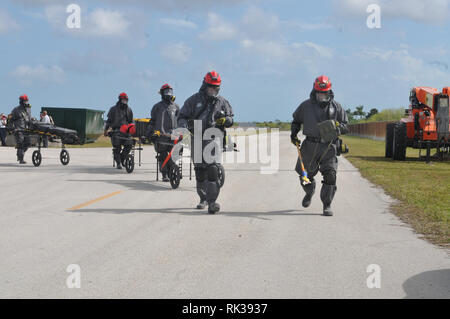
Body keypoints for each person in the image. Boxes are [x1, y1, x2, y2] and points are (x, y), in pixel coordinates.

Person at [290, 75, 348, 216]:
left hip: (329, 147)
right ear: (315, 91)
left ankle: (326, 205)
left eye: (325, 93)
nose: (322, 96)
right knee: (304, 175)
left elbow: (346, 126)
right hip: (309, 145)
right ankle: (309, 191)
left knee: (330, 175)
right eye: (319, 93)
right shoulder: (305, 106)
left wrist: (338, 128)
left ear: (329, 92)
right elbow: (296, 121)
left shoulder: (337, 107)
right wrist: (294, 134)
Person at [178, 71, 234, 214]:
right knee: (200, 171)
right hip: (196, 137)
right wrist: (183, 126)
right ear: (204, 85)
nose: (213, 90)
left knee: (212, 169)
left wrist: (227, 120)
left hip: (213, 137)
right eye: (211, 87)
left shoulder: (222, 101)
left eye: (216, 88)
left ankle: (212, 202)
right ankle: (202, 198)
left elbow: (230, 118)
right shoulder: (192, 100)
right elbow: (182, 116)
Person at [148, 84, 180, 182]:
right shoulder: (157, 107)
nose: (168, 94)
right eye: (166, 92)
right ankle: (165, 174)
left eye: (170, 92)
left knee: (174, 154)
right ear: (162, 94)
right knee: (162, 155)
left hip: (173, 136)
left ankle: (173, 171)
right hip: (160, 136)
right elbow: (152, 121)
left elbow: (181, 121)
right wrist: (150, 134)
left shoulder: (176, 106)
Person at [104, 92, 134, 169]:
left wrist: (132, 130)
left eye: (126, 100)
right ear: (120, 99)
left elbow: (131, 122)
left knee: (129, 144)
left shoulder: (129, 109)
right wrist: (106, 130)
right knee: (117, 146)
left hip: (126, 132)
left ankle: (122, 158)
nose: (125, 101)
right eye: (123, 100)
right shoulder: (113, 109)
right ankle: (118, 163)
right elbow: (109, 121)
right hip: (116, 131)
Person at [10, 95, 32, 164]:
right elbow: (10, 120)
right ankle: (21, 158)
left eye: (27, 101)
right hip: (18, 129)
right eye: (25, 101)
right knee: (21, 143)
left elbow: (29, 119)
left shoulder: (28, 109)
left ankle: (20, 153)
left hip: (27, 129)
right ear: (21, 102)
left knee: (28, 143)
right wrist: (12, 128)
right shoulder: (16, 110)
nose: (26, 102)